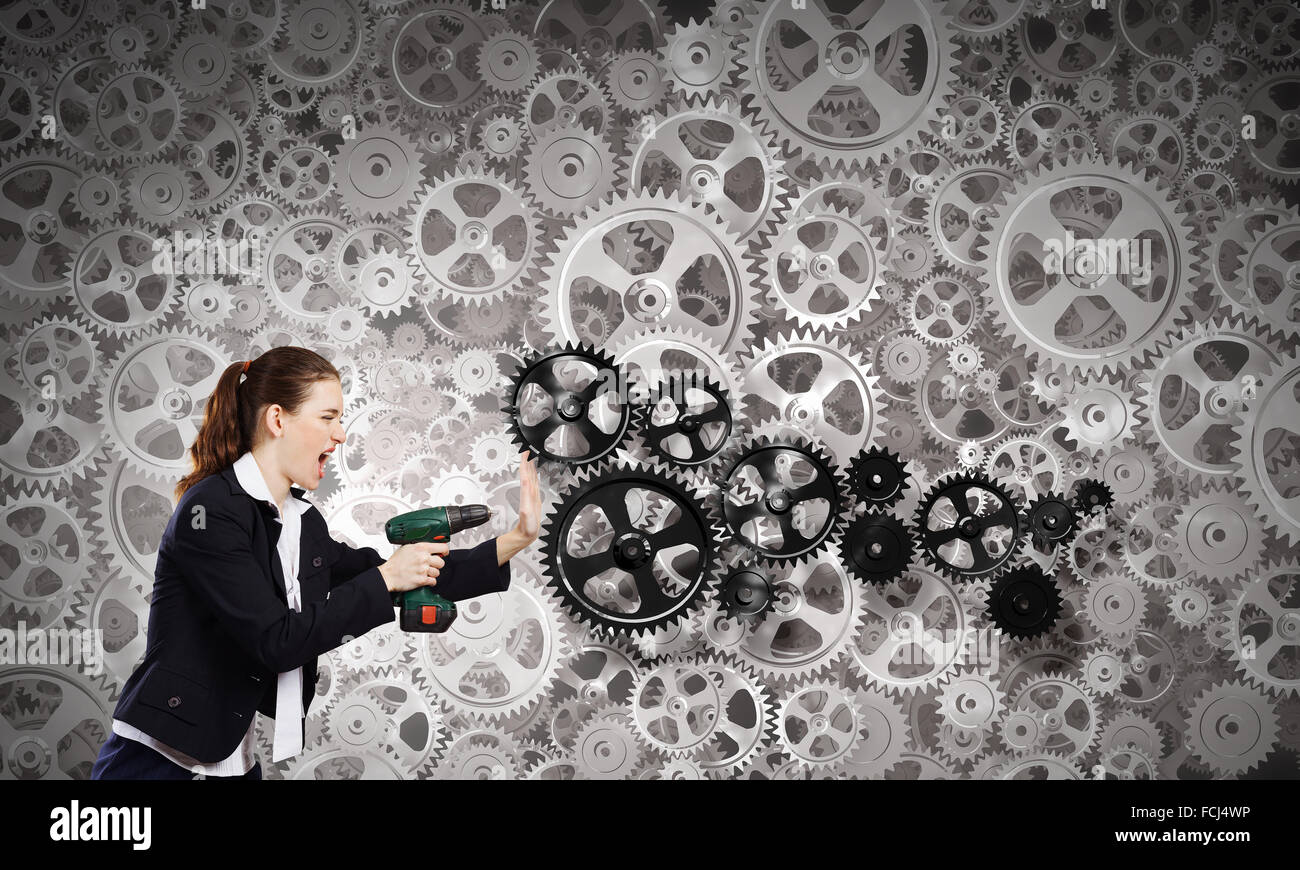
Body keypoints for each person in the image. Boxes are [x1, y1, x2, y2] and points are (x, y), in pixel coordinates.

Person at [90, 346, 541, 779]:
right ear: (277, 419)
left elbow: (399, 573)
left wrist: (515, 539)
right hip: (158, 755)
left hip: (229, 753)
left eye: (340, 419)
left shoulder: (301, 522)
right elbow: (276, 639)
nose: (341, 433)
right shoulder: (210, 512)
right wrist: (387, 579)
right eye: (328, 417)